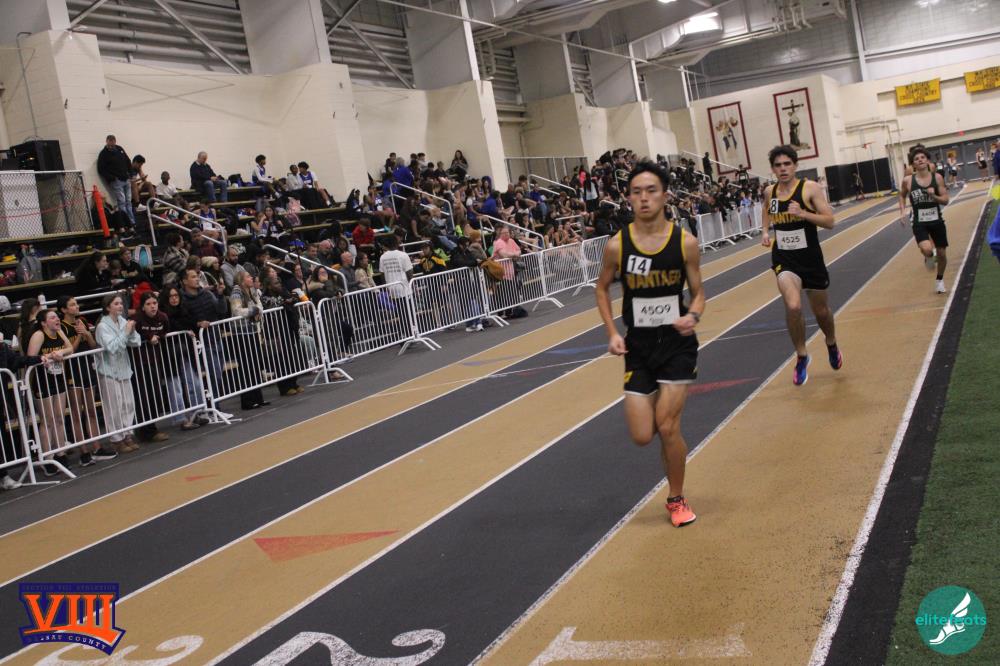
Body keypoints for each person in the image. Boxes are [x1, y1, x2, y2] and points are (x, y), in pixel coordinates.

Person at [594, 161, 704, 528]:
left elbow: (699, 292)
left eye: (651, 191)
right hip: (638, 347)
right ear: (628, 198)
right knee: (643, 435)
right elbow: (601, 289)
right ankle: (665, 427)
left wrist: (693, 315)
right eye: (637, 192)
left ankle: (676, 498)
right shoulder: (617, 245)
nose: (644, 198)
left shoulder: (685, 243)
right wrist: (612, 332)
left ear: (665, 196)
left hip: (676, 344)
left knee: (668, 427)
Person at [761, 145, 841, 386]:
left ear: (795, 165)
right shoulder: (770, 191)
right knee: (794, 306)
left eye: (787, 164)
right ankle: (802, 355)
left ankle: (831, 342)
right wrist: (765, 231)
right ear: (773, 169)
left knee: (821, 312)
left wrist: (804, 214)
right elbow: (766, 209)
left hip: (810, 259)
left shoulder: (810, 189)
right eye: (778, 165)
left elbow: (830, 221)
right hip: (784, 259)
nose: (783, 169)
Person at [58, 296, 116, 466]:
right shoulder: (62, 326)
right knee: (77, 413)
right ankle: (84, 452)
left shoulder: (82, 320)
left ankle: (97, 447)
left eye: (76, 303)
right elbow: (69, 350)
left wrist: (87, 334)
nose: (76, 306)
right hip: (72, 371)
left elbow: (93, 345)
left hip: (86, 367)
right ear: (64, 309)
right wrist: (79, 335)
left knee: (91, 410)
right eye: (72, 305)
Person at [27, 310, 75, 473]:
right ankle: (48, 457)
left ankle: (60, 453)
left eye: (57, 316)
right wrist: (48, 357)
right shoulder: (39, 335)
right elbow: (30, 358)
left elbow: (70, 348)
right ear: (43, 322)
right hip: (42, 382)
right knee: (47, 420)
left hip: (58, 378)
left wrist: (60, 352)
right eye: (52, 317)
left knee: (59, 417)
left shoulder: (59, 331)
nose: (57, 319)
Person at [898, 147, 949, 294]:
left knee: (942, 254)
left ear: (927, 161)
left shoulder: (937, 178)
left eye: (922, 158)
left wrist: (934, 197)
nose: (920, 160)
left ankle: (939, 280)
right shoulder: (908, 180)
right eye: (916, 159)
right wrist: (902, 212)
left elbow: (945, 200)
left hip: (936, 219)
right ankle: (928, 257)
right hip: (919, 221)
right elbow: (901, 195)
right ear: (913, 164)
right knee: (927, 249)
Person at [95, 294, 142, 452]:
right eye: (116, 303)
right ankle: (116, 439)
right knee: (114, 407)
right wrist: (126, 333)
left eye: (121, 303)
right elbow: (113, 348)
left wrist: (132, 331)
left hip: (124, 369)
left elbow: (136, 342)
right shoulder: (102, 326)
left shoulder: (123, 321)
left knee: (128, 404)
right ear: (108, 307)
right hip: (108, 371)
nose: (120, 306)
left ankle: (127, 433)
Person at [96, 135, 135, 229]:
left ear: (115, 142)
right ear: (106, 142)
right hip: (116, 181)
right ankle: (126, 223)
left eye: (113, 145)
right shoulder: (103, 154)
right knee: (122, 201)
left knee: (128, 201)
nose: (111, 147)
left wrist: (130, 174)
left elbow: (128, 161)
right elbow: (101, 169)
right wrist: (111, 178)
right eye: (110, 145)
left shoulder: (120, 149)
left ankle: (132, 221)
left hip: (126, 178)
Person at [378, 234, 413, 300]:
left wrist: (386, 288)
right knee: (408, 306)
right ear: (396, 243)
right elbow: (409, 273)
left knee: (397, 307)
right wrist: (412, 286)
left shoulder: (382, 257)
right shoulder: (403, 255)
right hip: (404, 288)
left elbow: (382, 275)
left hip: (391, 290)